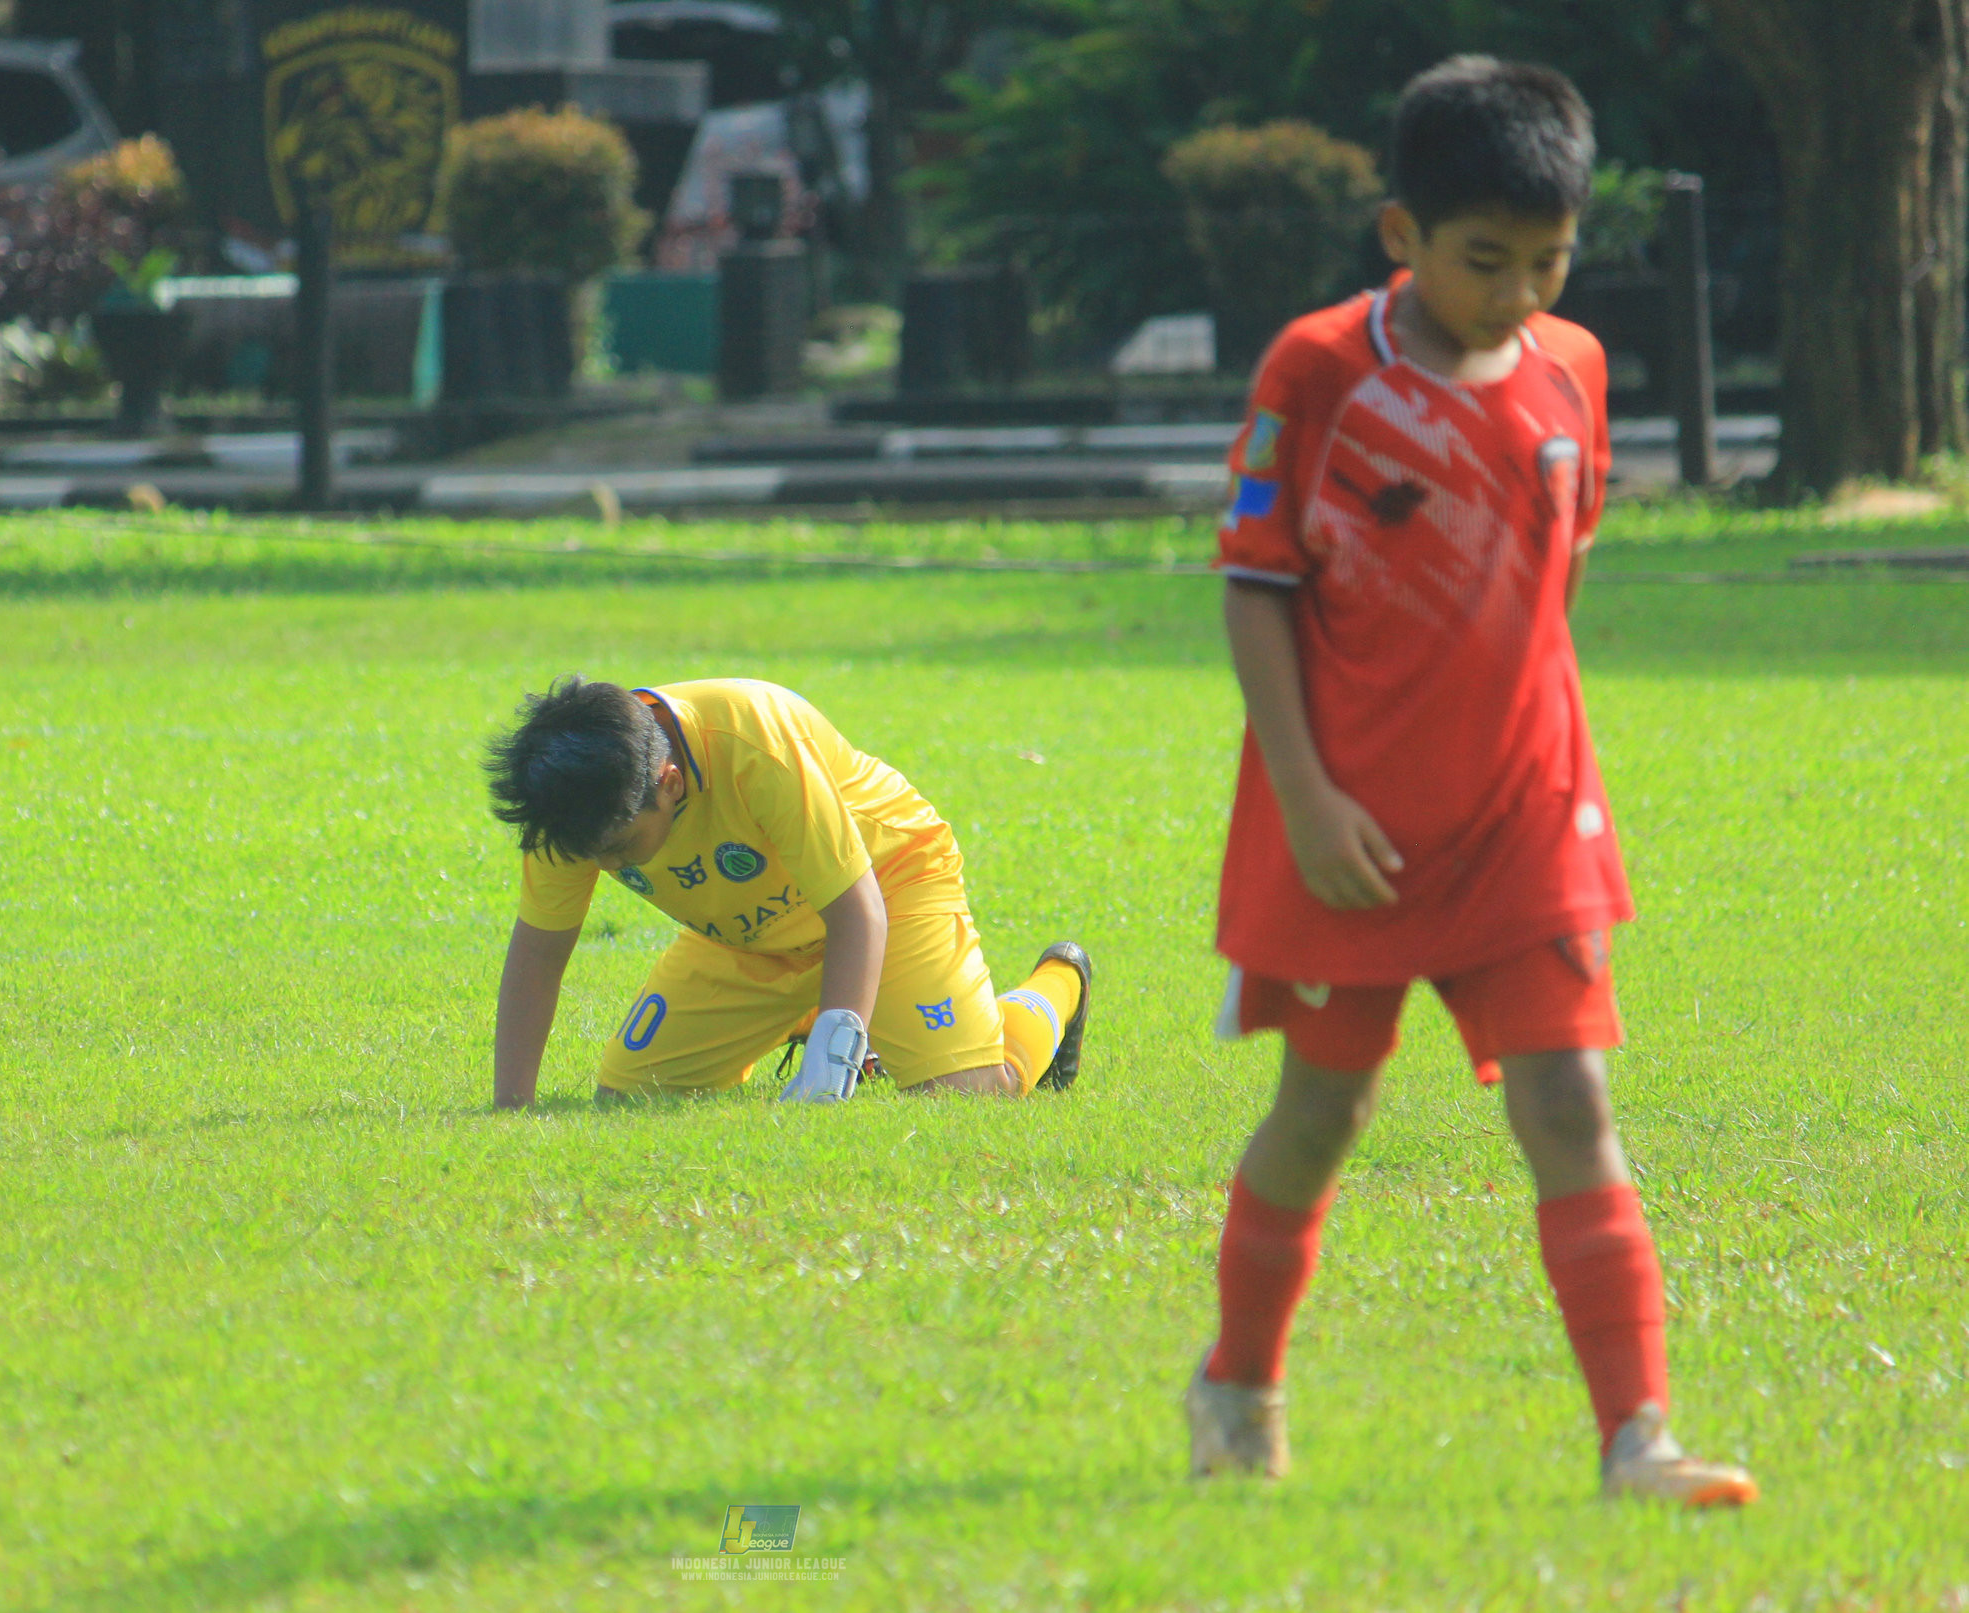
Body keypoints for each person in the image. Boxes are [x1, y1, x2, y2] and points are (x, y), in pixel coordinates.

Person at [1190, 55, 1756, 1506]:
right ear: (1401, 237)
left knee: (1568, 1102)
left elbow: (1558, 565)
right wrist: (1309, 803)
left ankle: (1636, 1438)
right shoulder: (1315, 369)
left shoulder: (1573, 369)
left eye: (1547, 261)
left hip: (1524, 821)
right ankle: (1235, 1384)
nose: (1515, 293)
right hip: (1352, 831)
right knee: (1323, 1111)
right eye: (1480, 261)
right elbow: (1253, 590)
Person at [484, 676, 1092, 1107]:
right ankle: (827, 1012)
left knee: (970, 1102)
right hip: (749, 936)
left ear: (668, 782)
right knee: (632, 1097)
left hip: (888, 889)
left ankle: (1059, 984)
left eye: (620, 849)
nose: (607, 864)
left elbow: (858, 913)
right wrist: (511, 1106)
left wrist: (830, 1066)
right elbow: (539, 952)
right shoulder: (567, 808)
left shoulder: (753, 739)